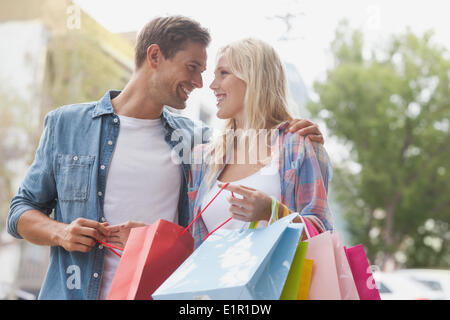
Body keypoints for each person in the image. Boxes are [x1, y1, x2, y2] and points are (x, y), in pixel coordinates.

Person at [6, 16, 324, 300]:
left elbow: (189, 242)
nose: (201, 83)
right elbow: (19, 211)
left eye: (210, 72)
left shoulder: (196, 142)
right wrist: (61, 232)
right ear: (155, 56)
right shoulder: (67, 124)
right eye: (192, 67)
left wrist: (308, 148)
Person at [186, 38, 333, 248]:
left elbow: (322, 234)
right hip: (216, 281)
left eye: (224, 73)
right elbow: (189, 240)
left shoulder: (297, 147)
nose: (212, 85)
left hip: (279, 281)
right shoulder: (203, 158)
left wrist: (273, 212)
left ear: (254, 79)